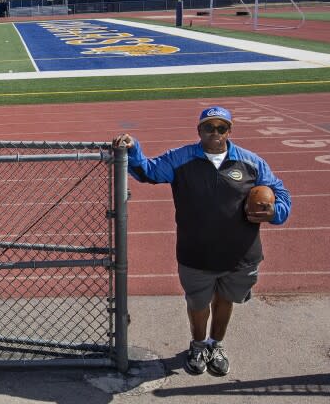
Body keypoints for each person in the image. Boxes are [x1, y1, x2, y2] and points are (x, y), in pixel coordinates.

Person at [113, 106, 291, 376]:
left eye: (221, 128)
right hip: (196, 253)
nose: (215, 133)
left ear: (230, 131)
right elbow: (147, 171)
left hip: (239, 255)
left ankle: (215, 344)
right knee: (197, 305)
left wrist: (275, 213)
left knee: (225, 301)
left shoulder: (252, 162)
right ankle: (198, 345)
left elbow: (280, 194)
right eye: (209, 127)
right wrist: (134, 147)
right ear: (199, 131)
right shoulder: (180, 158)